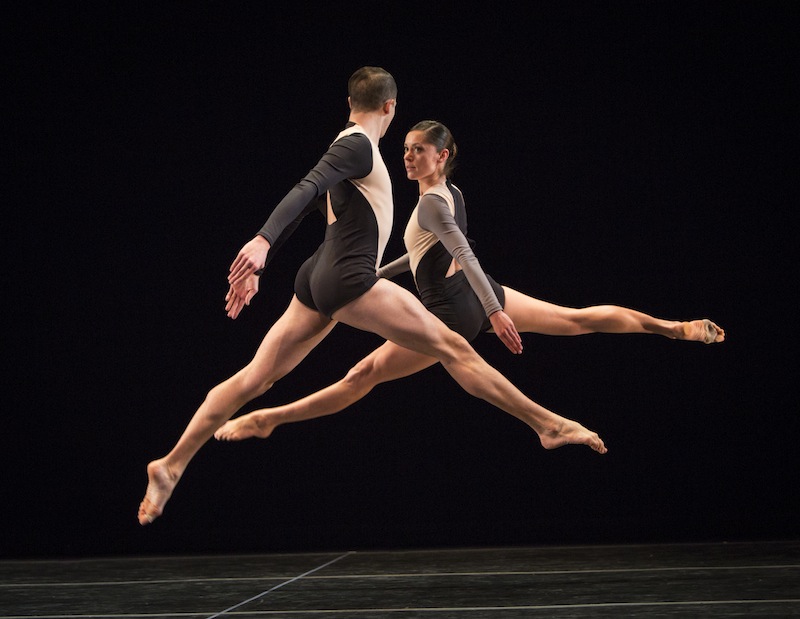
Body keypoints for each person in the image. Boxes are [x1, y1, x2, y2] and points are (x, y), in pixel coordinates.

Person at [138, 68, 607, 526]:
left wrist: (271, 256)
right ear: (391, 107)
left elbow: (312, 199)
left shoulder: (355, 150)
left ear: (349, 103)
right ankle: (547, 424)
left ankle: (172, 463)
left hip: (317, 276)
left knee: (255, 378)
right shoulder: (358, 145)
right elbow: (305, 188)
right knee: (454, 347)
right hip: (347, 278)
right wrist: (262, 243)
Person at [213, 119, 725, 443]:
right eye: (407, 149)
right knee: (577, 319)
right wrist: (485, 301)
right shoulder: (449, 194)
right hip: (480, 296)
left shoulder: (432, 204)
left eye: (420, 151)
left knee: (358, 379)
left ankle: (269, 419)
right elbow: (424, 257)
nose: (409, 156)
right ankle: (670, 327)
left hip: (454, 312)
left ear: (443, 156)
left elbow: (459, 249)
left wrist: (495, 312)